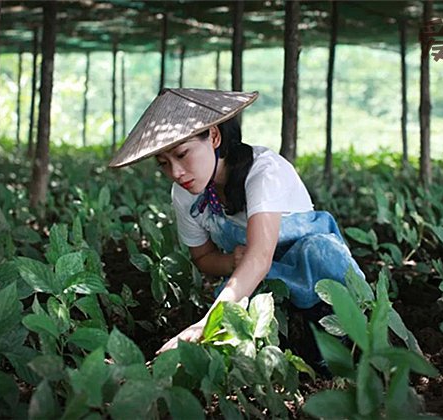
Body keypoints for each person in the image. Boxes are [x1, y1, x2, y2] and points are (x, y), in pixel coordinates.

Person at [109, 88, 365, 355]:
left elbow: (259, 258)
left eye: (182, 154)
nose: (175, 172)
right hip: (260, 286)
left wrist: (204, 324)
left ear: (214, 136)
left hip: (322, 286)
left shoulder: (264, 172)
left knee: (318, 262)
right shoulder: (185, 194)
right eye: (163, 163)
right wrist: (231, 261)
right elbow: (204, 256)